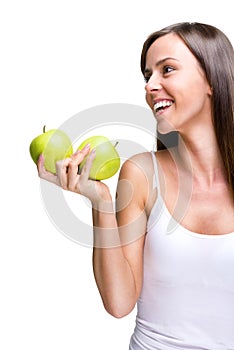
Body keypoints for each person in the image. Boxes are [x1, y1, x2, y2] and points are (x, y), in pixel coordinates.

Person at [37, 22, 234, 349]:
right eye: (147, 76)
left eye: (167, 70)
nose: (151, 86)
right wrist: (100, 200)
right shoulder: (143, 173)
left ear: (212, 79)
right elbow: (119, 303)